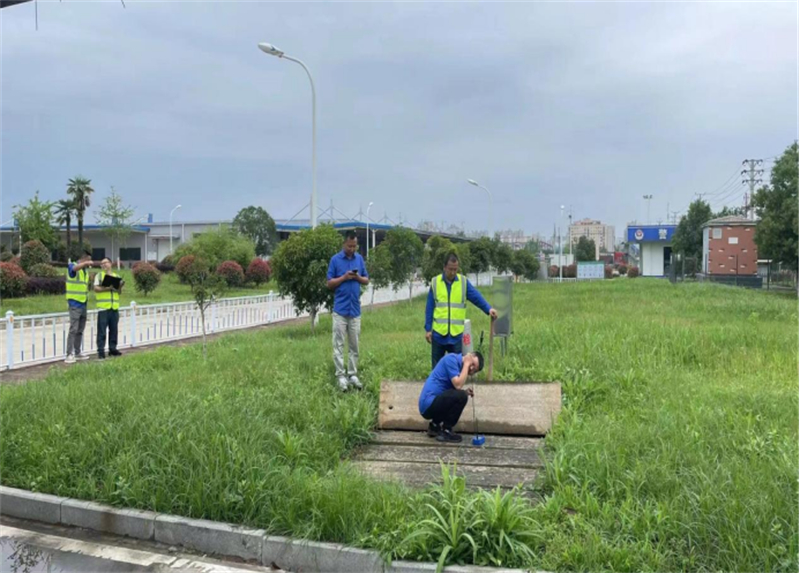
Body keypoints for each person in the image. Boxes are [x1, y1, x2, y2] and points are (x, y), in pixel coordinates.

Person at [425, 252, 498, 369]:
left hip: (456, 336)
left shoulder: (463, 282)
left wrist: (488, 309)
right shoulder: (435, 282)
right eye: (450, 269)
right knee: (437, 369)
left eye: (455, 269)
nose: (453, 272)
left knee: (457, 369)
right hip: (439, 335)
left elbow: (476, 296)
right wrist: (428, 329)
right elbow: (429, 307)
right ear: (444, 267)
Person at [327, 231, 369, 392]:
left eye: (354, 246)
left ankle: (352, 374)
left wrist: (357, 278)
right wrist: (344, 277)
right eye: (349, 246)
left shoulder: (359, 259)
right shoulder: (335, 260)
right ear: (344, 244)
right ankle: (340, 375)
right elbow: (329, 283)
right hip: (340, 310)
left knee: (354, 345)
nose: (352, 249)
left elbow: (366, 279)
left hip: (355, 310)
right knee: (338, 344)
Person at [419, 352, 484, 443]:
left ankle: (434, 426)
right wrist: (466, 364)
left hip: (432, 403)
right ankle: (446, 431)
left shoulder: (458, 368)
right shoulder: (451, 360)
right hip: (428, 403)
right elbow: (458, 385)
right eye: (472, 363)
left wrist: (465, 392)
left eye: (474, 370)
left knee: (461, 395)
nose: (471, 368)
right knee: (461, 396)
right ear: (469, 356)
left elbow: (451, 393)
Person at [65, 252, 97, 364]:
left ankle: (77, 352)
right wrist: (85, 264)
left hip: (83, 303)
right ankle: (69, 354)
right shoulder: (72, 265)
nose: (89, 264)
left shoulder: (84, 271)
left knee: (80, 330)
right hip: (74, 303)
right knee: (73, 329)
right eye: (88, 260)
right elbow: (74, 269)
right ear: (84, 259)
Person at [94, 258, 125, 359]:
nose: (103, 265)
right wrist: (107, 288)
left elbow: (119, 292)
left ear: (110, 264)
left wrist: (120, 286)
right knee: (102, 331)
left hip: (114, 308)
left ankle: (113, 349)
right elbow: (96, 288)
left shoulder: (116, 276)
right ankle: (101, 351)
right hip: (103, 308)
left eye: (105, 263)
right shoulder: (99, 276)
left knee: (114, 330)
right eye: (102, 263)